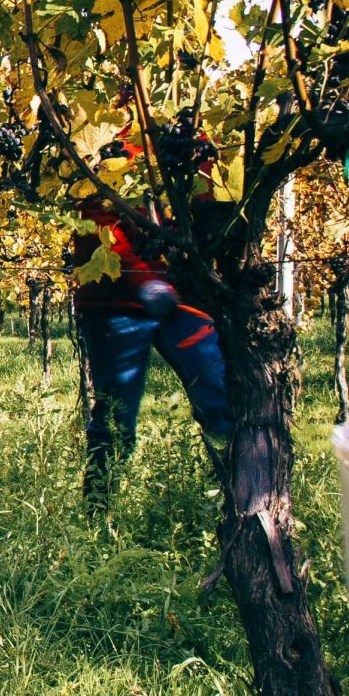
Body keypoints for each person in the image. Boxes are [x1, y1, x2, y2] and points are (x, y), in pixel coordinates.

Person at [71, 192, 232, 501]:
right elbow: (98, 221)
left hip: (184, 297)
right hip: (114, 304)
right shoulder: (107, 152)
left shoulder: (194, 146)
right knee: (116, 419)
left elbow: (206, 203)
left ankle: (236, 498)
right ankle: (98, 515)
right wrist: (143, 279)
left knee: (220, 396)